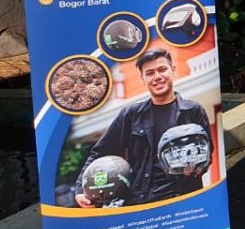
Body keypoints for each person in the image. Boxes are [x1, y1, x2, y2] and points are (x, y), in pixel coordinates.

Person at [76, 47, 211, 207]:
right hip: (140, 202)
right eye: (150, 73)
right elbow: (99, 153)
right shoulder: (130, 115)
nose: (157, 77)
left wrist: (195, 170)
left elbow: (207, 152)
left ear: (172, 70)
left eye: (162, 69)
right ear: (143, 79)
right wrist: (80, 190)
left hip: (182, 199)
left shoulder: (192, 111)